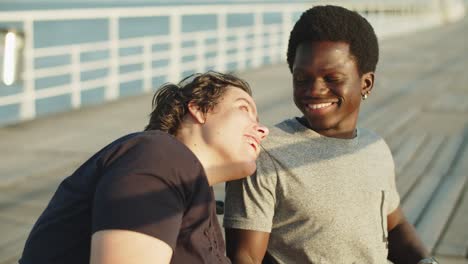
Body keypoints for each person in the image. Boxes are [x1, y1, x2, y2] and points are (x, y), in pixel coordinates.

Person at [223, 5, 437, 264]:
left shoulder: (375, 148)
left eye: (332, 78)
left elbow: (394, 226)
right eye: (302, 78)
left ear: (366, 83)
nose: (315, 90)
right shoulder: (265, 153)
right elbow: (243, 256)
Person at [19, 71, 269, 264]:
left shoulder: (190, 189)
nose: (262, 129)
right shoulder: (160, 154)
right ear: (198, 109)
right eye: (244, 109)